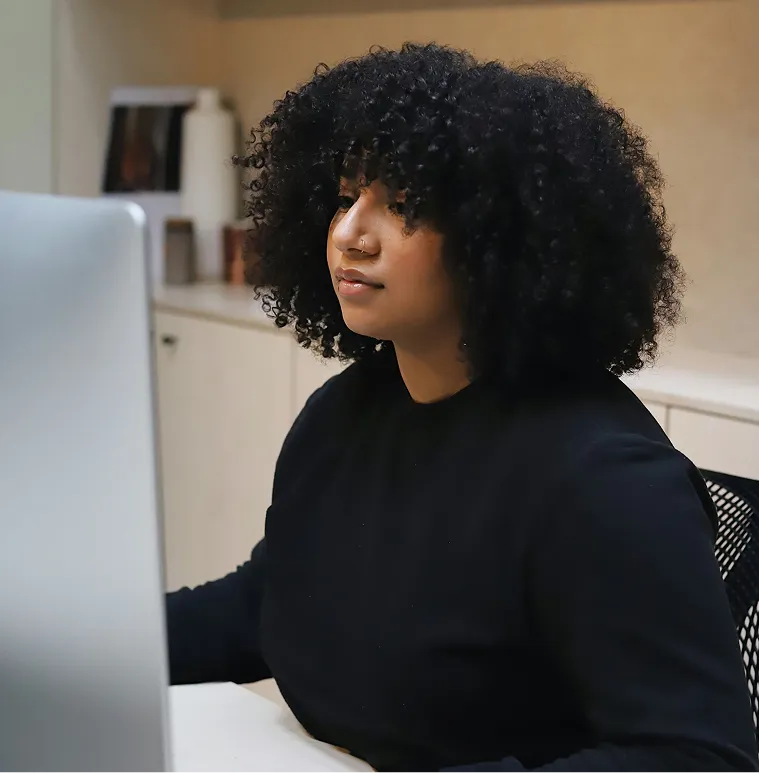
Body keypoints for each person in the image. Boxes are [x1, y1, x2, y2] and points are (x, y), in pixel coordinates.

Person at [165, 43, 758, 773]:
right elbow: (274, 598)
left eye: (403, 206)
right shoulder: (344, 413)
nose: (351, 232)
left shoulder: (604, 479)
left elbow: (699, 755)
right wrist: (77, 636)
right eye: (346, 196)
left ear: (496, 238)